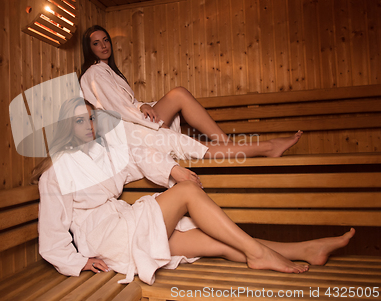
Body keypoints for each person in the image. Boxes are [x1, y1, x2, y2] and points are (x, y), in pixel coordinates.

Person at [32, 97, 355, 285]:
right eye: (79, 122)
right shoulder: (58, 171)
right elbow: (52, 233)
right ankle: (259, 255)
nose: (88, 126)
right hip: (107, 238)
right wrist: (77, 262)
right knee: (188, 191)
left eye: (91, 118)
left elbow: (140, 158)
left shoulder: (106, 155)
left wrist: (170, 168)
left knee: (217, 242)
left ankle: (306, 249)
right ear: (67, 129)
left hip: (125, 226)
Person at [79, 25, 303, 160]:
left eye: (106, 40)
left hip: (132, 119)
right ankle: (231, 145)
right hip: (124, 129)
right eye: (97, 43)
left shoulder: (108, 72)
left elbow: (123, 103)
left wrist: (141, 106)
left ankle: (228, 144)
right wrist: (139, 108)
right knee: (178, 94)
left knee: (180, 94)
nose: (104, 46)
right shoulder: (94, 73)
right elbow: (115, 108)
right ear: (90, 49)